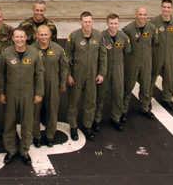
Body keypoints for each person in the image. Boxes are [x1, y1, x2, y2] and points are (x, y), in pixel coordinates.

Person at [0, 28, 44, 166]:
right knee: (9, 121)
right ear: (13, 38)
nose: (19, 40)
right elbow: (0, 74)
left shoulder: (34, 53)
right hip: (11, 92)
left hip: (28, 92)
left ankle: (24, 150)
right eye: (16, 37)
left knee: (27, 121)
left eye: (21, 37)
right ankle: (11, 150)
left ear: (26, 38)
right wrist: (1, 92)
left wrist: (38, 93)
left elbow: (39, 74)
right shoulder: (6, 53)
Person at [65, 12, 106, 141]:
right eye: (85, 22)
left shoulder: (99, 36)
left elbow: (103, 56)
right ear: (80, 22)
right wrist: (69, 75)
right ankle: (73, 127)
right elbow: (67, 57)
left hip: (92, 74)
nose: (87, 24)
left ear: (92, 22)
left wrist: (101, 73)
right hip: (77, 74)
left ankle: (87, 125)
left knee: (90, 101)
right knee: (74, 101)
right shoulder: (75, 36)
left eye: (89, 21)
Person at [32, 25, 68, 147]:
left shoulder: (58, 49)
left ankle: (50, 135)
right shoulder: (31, 50)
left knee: (52, 109)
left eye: (46, 34)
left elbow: (64, 67)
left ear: (50, 35)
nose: (43, 37)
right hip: (37, 83)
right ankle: (36, 136)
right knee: (35, 110)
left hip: (53, 81)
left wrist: (62, 84)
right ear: (37, 35)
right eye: (41, 35)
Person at [94, 14, 130, 132]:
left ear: (118, 23)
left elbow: (127, 51)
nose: (113, 26)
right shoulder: (101, 36)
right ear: (107, 23)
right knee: (100, 94)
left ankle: (116, 118)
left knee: (118, 94)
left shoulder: (124, 37)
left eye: (115, 24)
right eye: (111, 23)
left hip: (118, 68)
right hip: (105, 68)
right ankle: (97, 119)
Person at [121, 7, 157, 123]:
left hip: (146, 61)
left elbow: (154, 42)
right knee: (128, 85)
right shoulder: (128, 29)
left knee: (146, 85)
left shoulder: (151, 28)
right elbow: (124, 46)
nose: (142, 17)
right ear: (135, 14)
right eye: (140, 14)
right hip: (132, 61)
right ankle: (123, 110)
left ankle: (144, 107)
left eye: (144, 15)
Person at [150, 0, 173, 112]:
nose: (166, 9)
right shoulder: (154, 22)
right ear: (161, 7)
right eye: (164, 7)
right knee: (152, 76)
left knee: (169, 76)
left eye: (168, 7)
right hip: (157, 53)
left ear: (172, 9)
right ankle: (147, 99)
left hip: (170, 54)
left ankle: (167, 98)